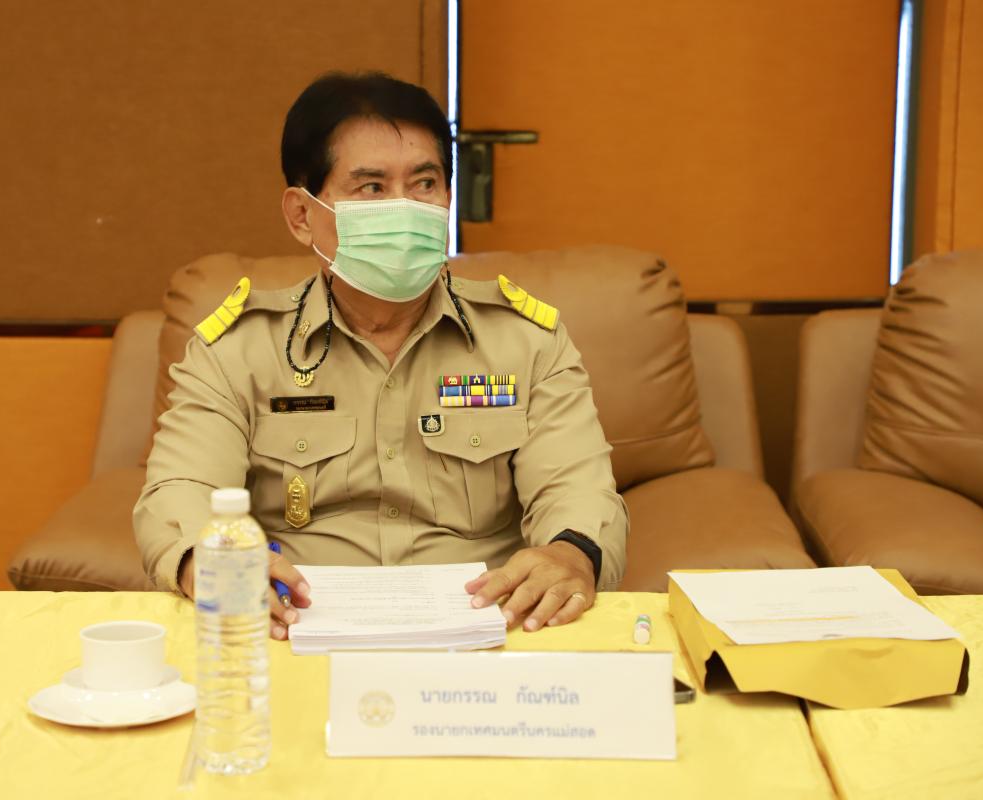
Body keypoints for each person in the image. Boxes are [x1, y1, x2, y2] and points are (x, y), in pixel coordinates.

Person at [134, 72, 628, 640]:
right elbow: (181, 489)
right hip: (296, 629)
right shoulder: (238, 351)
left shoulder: (527, 341)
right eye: (371, 187)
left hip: (485, 629)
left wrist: (571, 552)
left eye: (424, 183)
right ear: (302, 216)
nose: (405, 207)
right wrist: (209, 558)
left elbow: (576, 487)